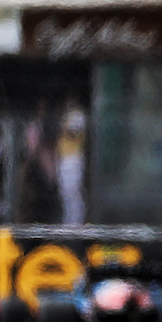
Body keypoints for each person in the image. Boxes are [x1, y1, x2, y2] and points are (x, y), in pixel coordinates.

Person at [57, 95, 87, 225]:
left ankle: (77, 223)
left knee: (73, 191)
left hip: (74, 157)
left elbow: (73, 132)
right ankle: (68, 222)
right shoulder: (66, 115)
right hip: (64, 157)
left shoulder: (79, 115)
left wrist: (64, 126)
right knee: (65, 192)